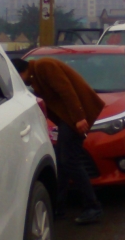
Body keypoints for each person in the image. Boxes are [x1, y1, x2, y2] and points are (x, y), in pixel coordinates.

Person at [13, 56, 106, 224]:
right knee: (62, 162)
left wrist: (79, 117)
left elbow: (66, 91)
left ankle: (93, 206)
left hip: (74, 118)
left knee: (70, 161)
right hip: (68, 120)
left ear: (20, 72)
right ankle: (58, 206)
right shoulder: (36, 77)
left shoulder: (44, 66)